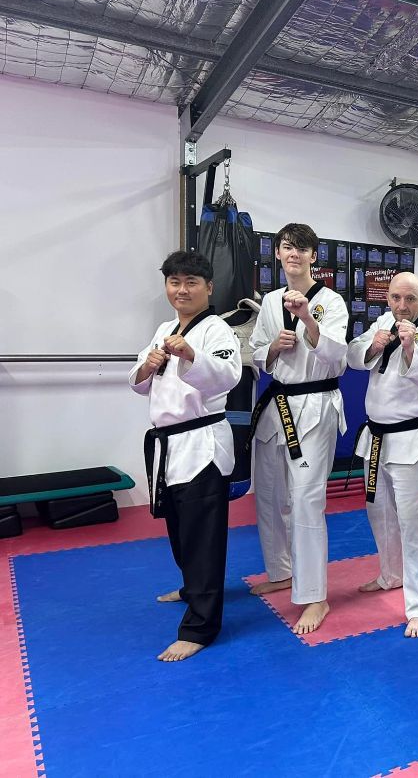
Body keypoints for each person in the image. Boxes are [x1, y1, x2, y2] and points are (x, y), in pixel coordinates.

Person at [131, 250, 241, 661]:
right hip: (168, 444)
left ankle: (200, 627)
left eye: (191, 282)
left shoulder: (216, 330)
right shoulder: (164, 327)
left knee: (203, 537)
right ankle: (191, 586)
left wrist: (190, 355)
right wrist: (149, 364)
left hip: (202, 444)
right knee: (179, 528)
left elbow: (228, 375)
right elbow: (140, 381)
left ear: (208, 288)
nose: (182, 289)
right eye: (175, 282)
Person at [247, 223, 348, 636]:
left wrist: (306, 317)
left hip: (315, 405)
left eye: (302, 248)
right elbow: (254, 352)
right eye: (287, 247)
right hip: (277, 404)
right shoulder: (269, 301)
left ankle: (315, 595)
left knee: (306, 500)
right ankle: (282, 571)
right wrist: (271, 348)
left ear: (313, 257)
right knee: (269, 496)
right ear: (277, 254)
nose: (294, 254)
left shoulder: (332, 301)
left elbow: (337, 356)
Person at [347, 272, 418, 638]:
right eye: (395, 298)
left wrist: (410, 348)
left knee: (412, 522)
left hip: (411, 440)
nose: (402, 306)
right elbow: (354, 357)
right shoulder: (382, 322)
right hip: (377, 439)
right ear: (387, 299)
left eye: (410, 299)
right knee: (379, 512)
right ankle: (390, 574)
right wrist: (374, 346)